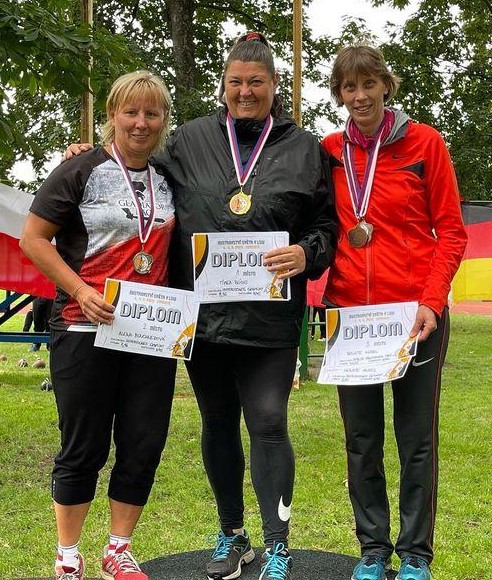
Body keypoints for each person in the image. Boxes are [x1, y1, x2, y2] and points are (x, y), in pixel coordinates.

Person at [68, 32, 337, 580]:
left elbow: (326, 225)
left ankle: (277, 544)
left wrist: (306, 253)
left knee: (267, 422)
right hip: (204, 319)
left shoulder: (304, 147)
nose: (245, 91)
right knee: (217, 423)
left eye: (255, 82)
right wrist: (85, 158)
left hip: (269, 320)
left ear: (274, 85)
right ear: (223, 85)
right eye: (235, 82)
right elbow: (132, 157)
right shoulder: (188, 140)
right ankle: (231, 535)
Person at [20, 70, 176, 580]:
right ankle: (68, 554)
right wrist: (82, 291)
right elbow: (34, 239)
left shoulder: (169, 177)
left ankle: (118, 548)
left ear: (163, 120)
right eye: (131, 111)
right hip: (84, 327)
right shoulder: (80, 170)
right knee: (84, 443)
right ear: (112, 115)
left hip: (150, 332)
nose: (141, 122)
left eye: (152, 113)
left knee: (143, 440)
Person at [321, 45, 467, 580]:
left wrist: (431, 301)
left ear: (387, 85)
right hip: (351, 321)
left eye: (368, 85)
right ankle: (373, 551)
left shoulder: (425, 143)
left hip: (414, 316)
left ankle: (416, 557)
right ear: (339, 94)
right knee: (361, 440)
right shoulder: (329, 151)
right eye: (348, 88)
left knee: (416, 439)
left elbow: (450, 232)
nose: (359, 97)